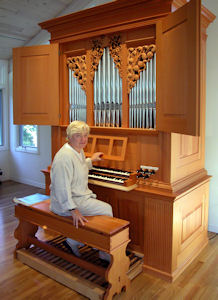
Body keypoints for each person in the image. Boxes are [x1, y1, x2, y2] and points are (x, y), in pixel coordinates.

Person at [50, 120, 113, 261]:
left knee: (99, 212)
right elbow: (61, 187)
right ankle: (100, 250)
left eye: (85, 135)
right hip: (66, 202)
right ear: (69, 136)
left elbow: (79, 166)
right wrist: (72, 209)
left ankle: (79, 241)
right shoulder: (64, 157)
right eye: (78, 135)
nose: (83, 139)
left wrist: (91, 161)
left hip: (78, 197)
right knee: (106, 210)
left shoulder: (77, 150)